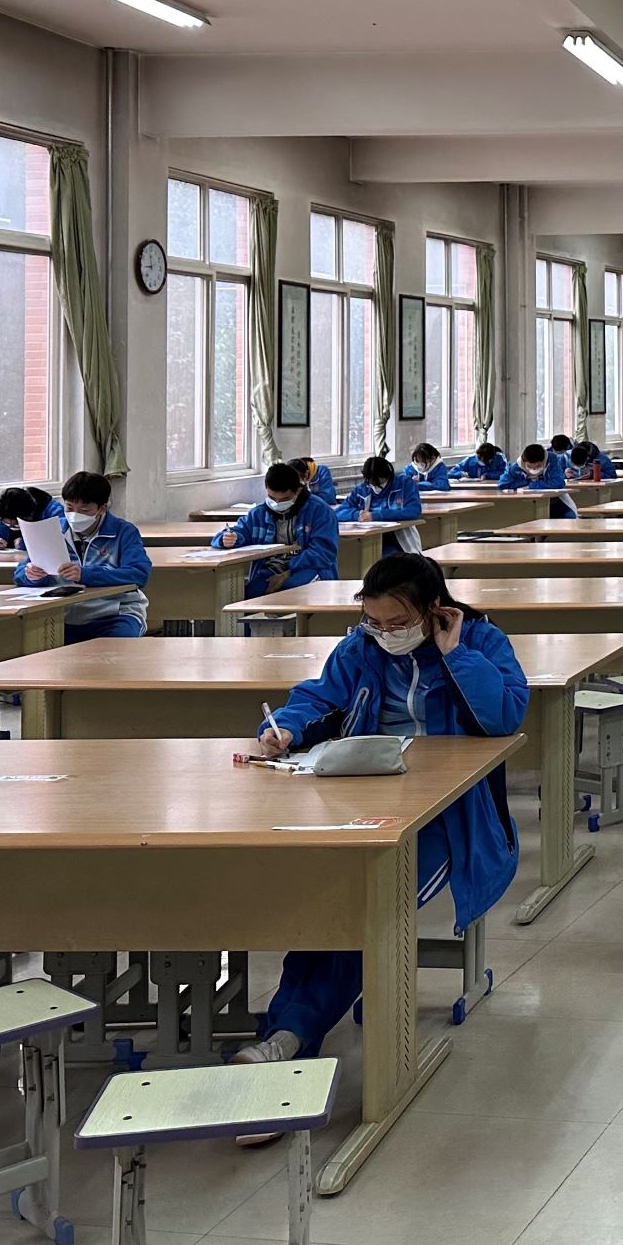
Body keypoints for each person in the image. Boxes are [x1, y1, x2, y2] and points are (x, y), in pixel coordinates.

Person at [234, 554, 527, 1077]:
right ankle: (288, 1029)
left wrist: (455, 653)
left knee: (368, 904)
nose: (386, 633)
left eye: (398, 622)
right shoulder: (361, 647)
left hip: (448, 810)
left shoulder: (481, 641)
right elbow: (317, 697)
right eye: (374, 621)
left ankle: (289, 1034)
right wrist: (285, 728)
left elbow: (504, 717)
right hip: (363, 795)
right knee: (331, 900)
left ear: (435, 609)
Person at [15, 471, 151, 642]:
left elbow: (139, 574)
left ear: (102, 508)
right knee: (34, 645)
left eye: (84, 510)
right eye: (69, 507)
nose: (75, 515)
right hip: (63, 616)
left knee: (115, 649)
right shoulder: (52, 531)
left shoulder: (123, 532)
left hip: (114, 613)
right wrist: (31, 575)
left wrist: (86, 574)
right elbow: (20, 574)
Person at [215, 461, 341, 598]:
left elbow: (323, 553)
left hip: (309, 568)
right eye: (272, 498)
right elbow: (237, 532)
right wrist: (227, 538)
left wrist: (288, 571)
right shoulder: (259, 513)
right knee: (249, 593)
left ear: (297, 491)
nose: (277, 503)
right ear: (266, 489)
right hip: (271, 570)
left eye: (285, 499)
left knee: (291, 590)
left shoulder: (319, 511)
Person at [337, 453, 425, 554]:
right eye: (371, 482)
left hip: (398, 539)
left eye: (379, 481)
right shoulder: (362, 489)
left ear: (387, 475)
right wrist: (357, 515)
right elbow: (338, 513)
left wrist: (378, 515)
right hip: (367, 539)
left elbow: (414, 511)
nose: (375, 486)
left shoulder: (404, 484)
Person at [0, 485, 60, 551]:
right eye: (7, 524)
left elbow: (61, 537)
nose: (12, 527)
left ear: (30, 514)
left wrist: (26, 543)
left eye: (17, 524)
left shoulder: (51, 511)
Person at [499, 442, 578, 519]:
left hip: (553, 500)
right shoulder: (516, 467)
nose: (534, 469)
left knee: (569, 516)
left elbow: (559, 482)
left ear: (543, 461)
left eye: (538, 466)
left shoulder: (552, 461)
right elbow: (503, 484)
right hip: (524, 502)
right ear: (524, 461)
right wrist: (526, 483)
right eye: (529, 466)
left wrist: (531, 485)